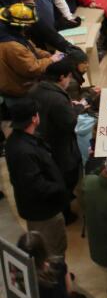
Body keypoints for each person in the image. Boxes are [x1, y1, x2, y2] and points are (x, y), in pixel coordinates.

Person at [5, 97, 71, 257]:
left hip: (38, 207)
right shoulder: (24, 150)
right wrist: (61, 188)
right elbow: (35, 185)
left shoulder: (17, 140)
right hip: (43, 211)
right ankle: (57, 278)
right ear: (34, 118)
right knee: (52, 249)